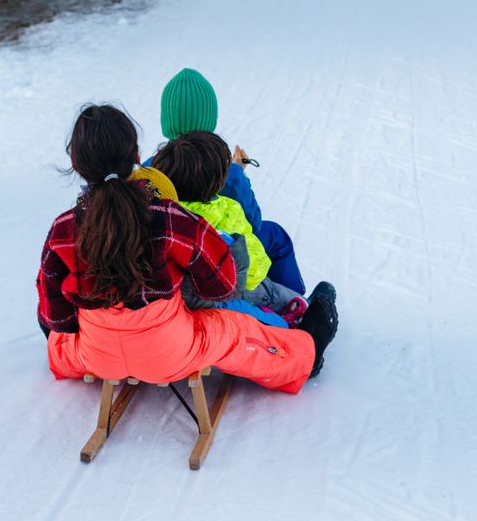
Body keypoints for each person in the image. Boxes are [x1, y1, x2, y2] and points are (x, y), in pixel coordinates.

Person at [37, 104, 339, 391]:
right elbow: (222, 287)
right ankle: (303, 356)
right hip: (170, 354)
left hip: (98, 358)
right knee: (230, 328)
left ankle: (98, 350)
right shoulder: (170, 217)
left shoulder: (63, 229)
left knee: (63, 343)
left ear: (75, 164)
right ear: (137, 155)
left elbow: (56, 319)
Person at [157, 68, 306, 294]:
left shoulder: (154, 165)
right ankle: (294, 302)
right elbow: (252, 223)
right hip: (220, 255)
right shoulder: (220, 170)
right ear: (209, 119)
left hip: (178, 256)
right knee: (274, 235)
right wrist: (237, 172)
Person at [150, 131, 311, 327]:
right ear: (218, 182)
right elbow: (251, 270)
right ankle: (302, 312)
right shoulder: (227, 210)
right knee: (284, 297)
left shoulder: (158, 207)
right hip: (232, 289)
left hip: (186, 293)